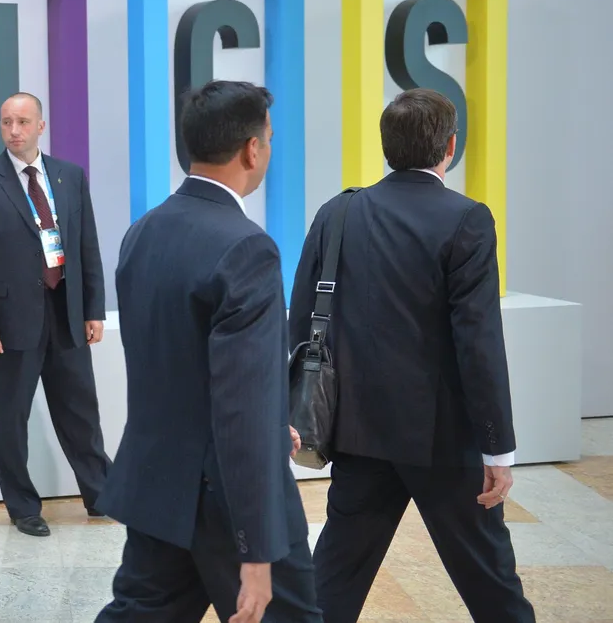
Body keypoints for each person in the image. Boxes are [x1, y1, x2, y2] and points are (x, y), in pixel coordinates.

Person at [288, 88, 535, 623]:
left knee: (333, 579)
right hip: (443, 440)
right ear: (450, 147)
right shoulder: (467, 219)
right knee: (490, 582)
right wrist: (499, 450)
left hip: (357, 432)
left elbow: (301, 317)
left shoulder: (339, 211)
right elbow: (479, 342)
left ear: (386, 146)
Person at [95, 81, 319, 623]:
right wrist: (258, 549)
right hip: (229, 498)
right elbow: (240, 408)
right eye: (268, 139)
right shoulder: (247, 248)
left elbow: (173, 364)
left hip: (156, 480)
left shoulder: (141, 232)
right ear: (251, 149)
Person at [0, 91, 113, 538]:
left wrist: (93, 308)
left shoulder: (69, 176)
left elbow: (87, 247)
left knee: (81, 413)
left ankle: (102, 495)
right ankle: (23, 507)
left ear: (41, 125)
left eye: (23, 122)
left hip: (66, 315)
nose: (14, 130)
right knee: (12, 419)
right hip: (10, 324)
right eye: (6, 123)